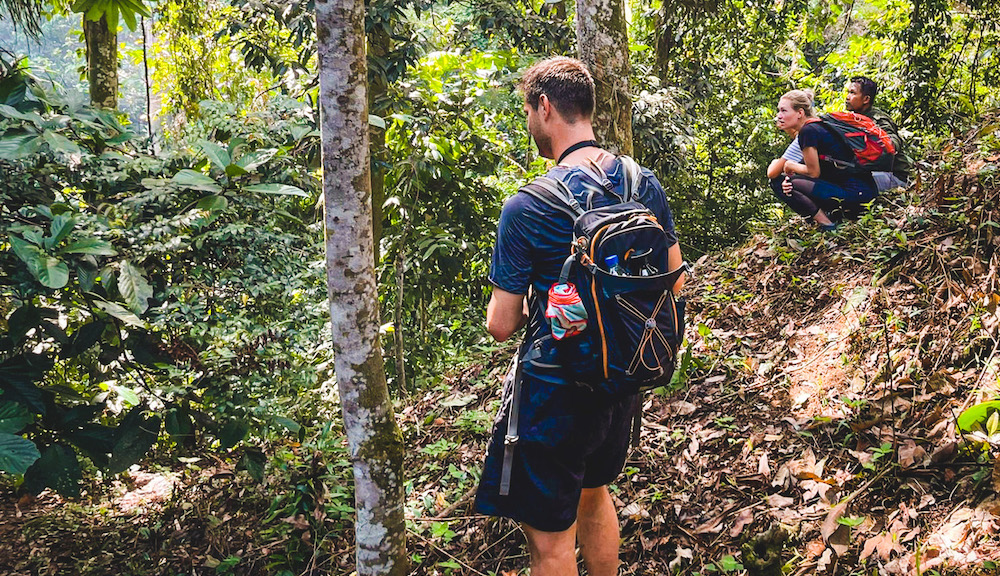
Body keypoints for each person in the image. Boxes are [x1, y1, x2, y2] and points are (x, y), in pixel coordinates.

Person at [474, 56, 684, 576]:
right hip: (621, 376)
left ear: (544, 107)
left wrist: (540, 306)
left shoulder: (528, 206)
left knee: (549, 542)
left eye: (528, 110)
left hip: (556, 391)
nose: (529, 123)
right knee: (595, 495)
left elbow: (500, 324)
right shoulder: (641, 182)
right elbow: (675, 280)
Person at [773, 89, 878, 231]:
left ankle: (828, 225)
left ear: (800, 113)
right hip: (867, 192)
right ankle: (832, 217)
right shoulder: (819, 125)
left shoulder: (808, 131)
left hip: (857, 197)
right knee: (787, 181)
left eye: (784, 111)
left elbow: (813, 172)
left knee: (787, 182)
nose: (779, 116)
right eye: (779, 111)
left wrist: (789, 165)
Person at [845, 76, 913, 191]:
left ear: (866, 99)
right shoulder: (853, 119)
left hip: (895, 177)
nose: (847, 97)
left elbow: (892, 141)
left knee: (850, 182)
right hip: (872, 171)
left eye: (852, 93)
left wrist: (882, 145)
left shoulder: (878, 119)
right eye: (848, 92)